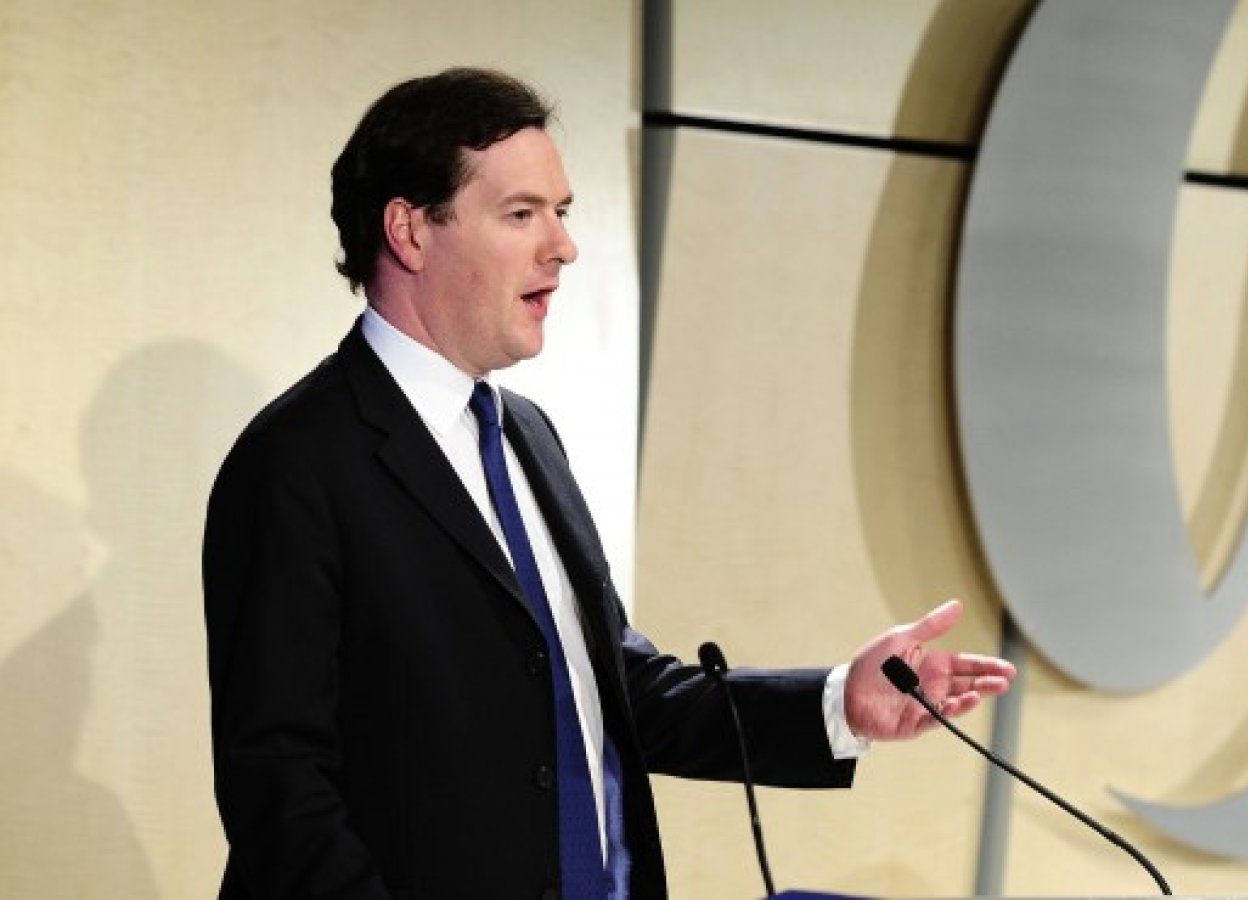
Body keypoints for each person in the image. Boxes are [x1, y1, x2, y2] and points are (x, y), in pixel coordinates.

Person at [202, 67, 1015, 900]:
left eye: (562, 212)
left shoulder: (526, 434)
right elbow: (280, 791)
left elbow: (611, 690)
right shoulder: (296, 462)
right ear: (410, 231)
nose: (563, 246)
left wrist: (839, 705)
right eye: (522, 214)